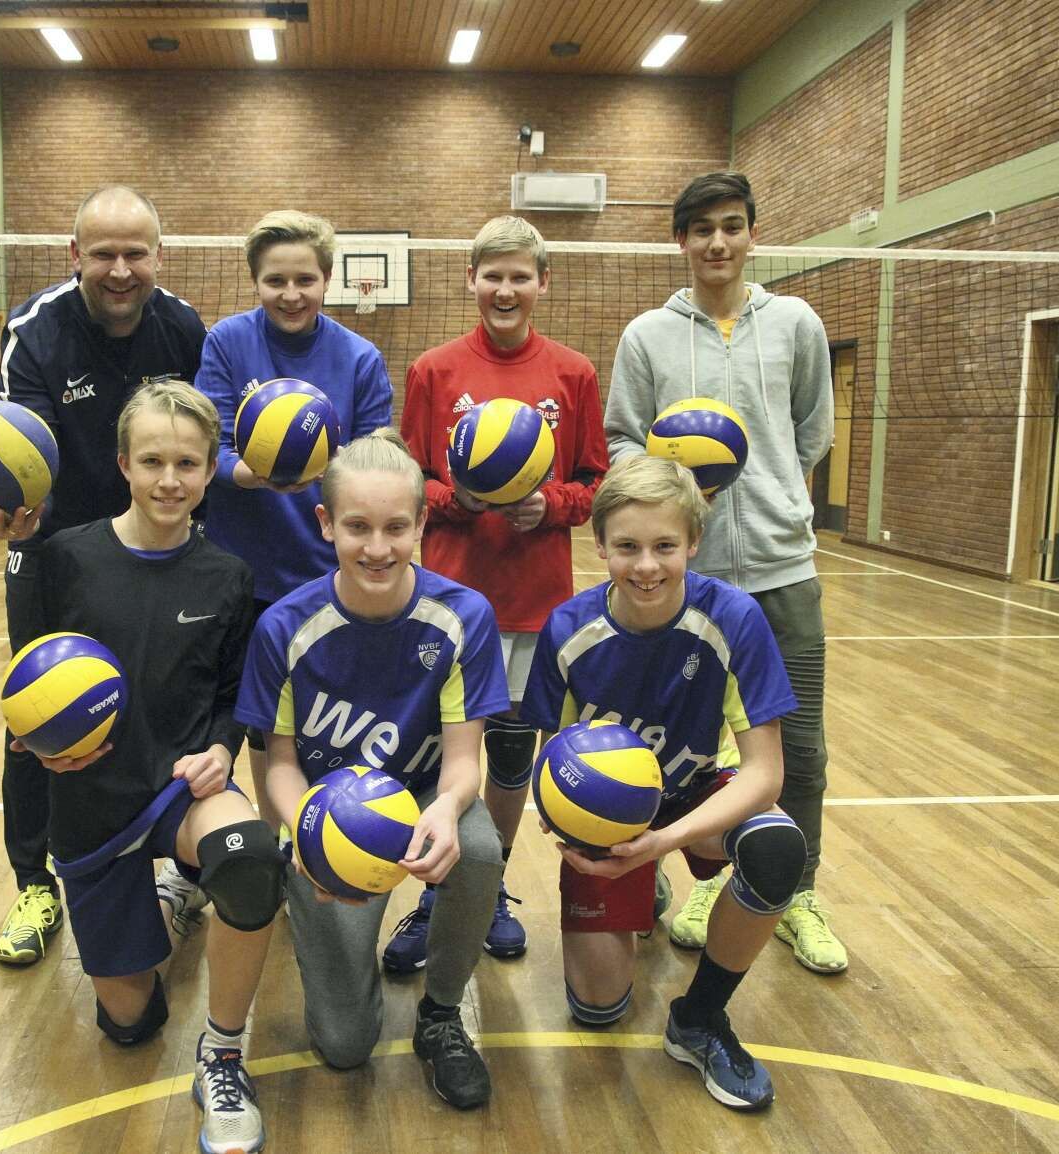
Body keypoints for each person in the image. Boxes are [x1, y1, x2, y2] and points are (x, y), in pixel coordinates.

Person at [22, 380, 282, 1153]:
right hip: (92, 798)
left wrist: (220, 750)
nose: (170, 480)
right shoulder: (66, 557)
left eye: (187, 463)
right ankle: (170, 905)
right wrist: (42, 740)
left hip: (179, 791)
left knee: (250, 859)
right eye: (152, 461)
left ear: (209, 471)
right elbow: (26, 677)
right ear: (123, 465)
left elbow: (233, 694)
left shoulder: (227, 575)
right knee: (129, 1023)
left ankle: (223, 1053)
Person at [602, 171, 845, 974]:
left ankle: (796, 892)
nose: (717, 242)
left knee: (799, 748)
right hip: (685, 580)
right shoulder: (647, 336)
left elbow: (810, 431)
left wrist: (773, 495)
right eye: (702, 228)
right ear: (680, 239)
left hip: (781, 570)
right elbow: (621, 440)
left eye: (732, 226)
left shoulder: (796, 323)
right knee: (686, 749)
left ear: (751, 234)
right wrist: (675, 496)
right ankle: (708, 882)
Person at [523, 456, 807, 1110]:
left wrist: (662, 840)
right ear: (599, 545)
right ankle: (641, 883)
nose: (646, 565)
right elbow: (551, 767)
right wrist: (588, 829)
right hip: (609, 815)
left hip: (696, 794)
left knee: (775, 848)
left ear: (693, 543)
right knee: (599, 1009)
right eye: (626, 547)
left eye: (664, 546)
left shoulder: (732, 618)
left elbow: (765, 774)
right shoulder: (568, 630)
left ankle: (699, 1019)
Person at [235, 430, 506, 1110]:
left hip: (420, 793)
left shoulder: (463, 616)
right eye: (357, 527)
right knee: (345, 1045)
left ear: (421, 523)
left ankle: (440, 1014)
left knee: (478, 847)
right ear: (326, 523)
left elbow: (463, 762)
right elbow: (279, 766)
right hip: (328, 813)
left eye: (395, 527)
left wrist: (446, 810)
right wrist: (308, 837)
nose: (377, 548)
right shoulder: (283, 627)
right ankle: (320, 933)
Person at [0, 185, 207, 967]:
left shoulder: (182, 328)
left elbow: (197, 440)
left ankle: (177, 866)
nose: (119, 270)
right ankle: (33, 883)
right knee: (35, 715)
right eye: (102, 253)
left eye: (134, 253)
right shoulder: (34, 332)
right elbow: (19, 450)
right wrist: (11, 510)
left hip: (158, 546)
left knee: (168, 700)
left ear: (158, 256)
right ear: (73, 254)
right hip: (54, 548)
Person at [393, 215, 608, 966]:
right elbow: (410, 479)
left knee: (511, 757)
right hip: (447, 602)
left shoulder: (574, 373)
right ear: (471, 281)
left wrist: (549, 504)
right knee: (438, 754)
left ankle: (488, 889)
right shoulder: (433, 371)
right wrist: (459, 499)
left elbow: (595, 482)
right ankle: (434, 892)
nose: (505, 289)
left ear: (543, 282)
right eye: (493, 275)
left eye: (520, 276)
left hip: (531, 604)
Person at [195, 210, 393, 844]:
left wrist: (319, 472)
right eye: (275, 280)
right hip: (244, 572)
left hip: (327, 571)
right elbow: (208, 447)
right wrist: (255, 473)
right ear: (255, 281)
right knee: (264, 722)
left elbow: (375, 459)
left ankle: (340, 830)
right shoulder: (227, 342)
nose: (290, 294)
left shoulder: (359, 357)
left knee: (331, 714)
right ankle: (272, 844)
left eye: (304, 280)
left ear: (327, 279)